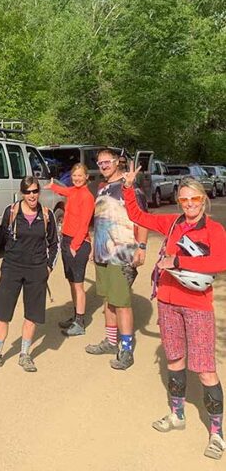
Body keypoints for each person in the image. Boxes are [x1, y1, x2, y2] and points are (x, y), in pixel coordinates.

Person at [123, 165, 226, 460]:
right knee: (175, 360)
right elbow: (138, 217)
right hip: (168, 303)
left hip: (197, 306)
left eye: (194, 200)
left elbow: (220, 262)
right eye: (184, 201)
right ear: (179, 202)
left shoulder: (213, 229)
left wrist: (178, 260)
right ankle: (177, 414)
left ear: (203, 200)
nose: (189, 205)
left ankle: (217, 434)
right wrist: (129, 189)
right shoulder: (171, 223)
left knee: (206, 370)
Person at [0, 177, 58, 373]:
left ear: (38, 192)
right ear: (22, 193)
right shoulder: (12, 211)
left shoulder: (47, 214)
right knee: (2, 314)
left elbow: (54, 243)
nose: (32, 195)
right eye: (28, 192)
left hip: (36, 269)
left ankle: (25, 355)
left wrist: (48, 267)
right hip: (12, 267)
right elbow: (1, 240)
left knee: (31, 314)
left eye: (35, 191)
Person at [85, 147, 148, 370]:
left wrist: (141, 247)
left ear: (117, 162)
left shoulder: (129, 188)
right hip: (103, 254)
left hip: (123, 254)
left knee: (121, 303)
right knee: (108, 300)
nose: (103, 166)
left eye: (107, 162)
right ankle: (111, 342)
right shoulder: (103, 189)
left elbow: (142, 220)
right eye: (100, 163)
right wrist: (94, 246)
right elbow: (100, 220)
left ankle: (127, 349)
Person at [45, 164, 94, 336]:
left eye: (80, 176)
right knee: (72, 282)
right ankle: (75, 317)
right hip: (66, 239)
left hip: (78, 243)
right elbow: (64, 192)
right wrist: (52, 186)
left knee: (78, 285)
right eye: (74, 176)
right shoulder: (73, 191)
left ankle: (80, 322)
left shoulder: (87, 197)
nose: (77, 178)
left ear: (87, 177)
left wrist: (75, 246)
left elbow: (84, 224)